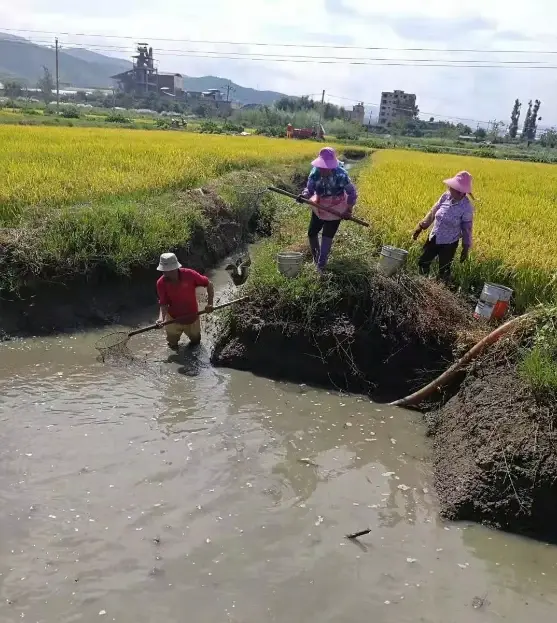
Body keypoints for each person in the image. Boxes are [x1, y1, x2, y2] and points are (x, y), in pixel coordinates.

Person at [298, 147, 357, 271]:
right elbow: (309, 190)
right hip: (319, 204)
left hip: (337, 206)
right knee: (312, 233)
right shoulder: (315, 173)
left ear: (332, 166)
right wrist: (304, 196)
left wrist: (348, 210)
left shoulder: (341, 175)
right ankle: (316, 257)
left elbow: (352, 194)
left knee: (327, 237)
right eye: (321, 166)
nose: (323, 169)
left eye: (326, 167)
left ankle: (321, 265)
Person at [412, 171, 474, 282]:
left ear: (461, 192)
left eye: (452, 187)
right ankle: (422, 284)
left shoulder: (466, 207)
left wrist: (465, 247)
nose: (449, 188)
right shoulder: (445, 196)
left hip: (449, 243)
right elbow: (433, 212)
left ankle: (440, 291)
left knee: (444, 270)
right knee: (423, 262)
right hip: (435, 236)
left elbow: (467, 229)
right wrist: (421, 226)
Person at [156, 252, 214, 350]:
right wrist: (161, 319)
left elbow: (209, 284)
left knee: (196, 343)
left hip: (192, 317)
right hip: (173, 319)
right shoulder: (161, 283)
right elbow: (164, 303)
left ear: (175, 268)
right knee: (172, 345)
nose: (165, 273)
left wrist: (210, 304)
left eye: (167, 271)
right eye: (163, 271)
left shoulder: (190, 275)